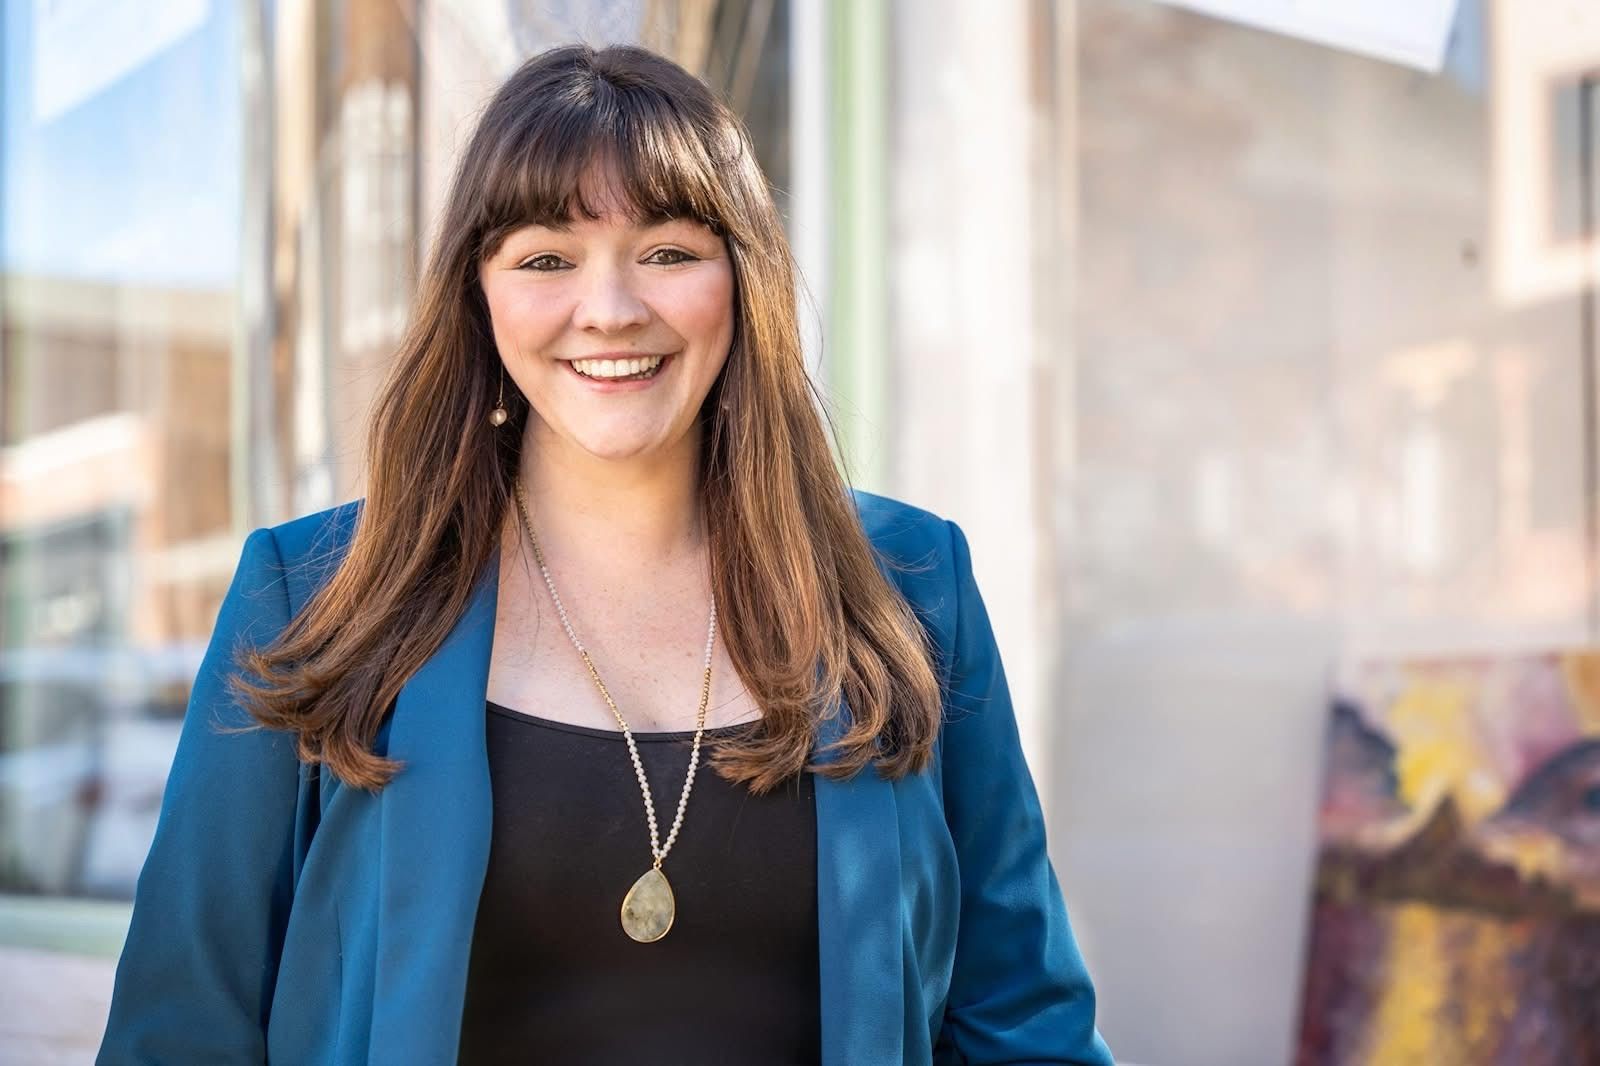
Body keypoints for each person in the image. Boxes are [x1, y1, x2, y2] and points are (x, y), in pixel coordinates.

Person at [95, 42, 1114, 1066]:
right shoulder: (310, 594)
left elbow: (1022, 1018)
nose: (612, 308)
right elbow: (181, 1031)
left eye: (668, 251)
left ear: (741, 280)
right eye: (546, 257)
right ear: (479, 295)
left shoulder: (911, 582)